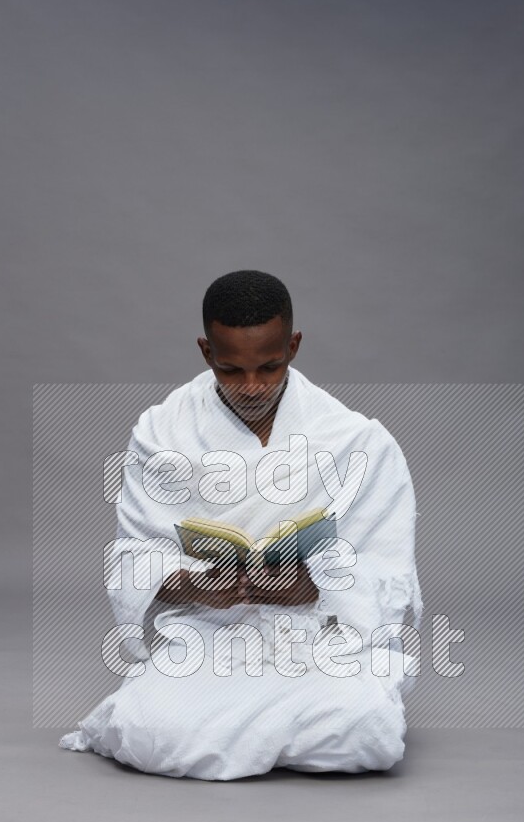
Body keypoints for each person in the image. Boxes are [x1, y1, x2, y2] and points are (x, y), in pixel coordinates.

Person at [59, 270, 422, 780]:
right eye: (231, 370)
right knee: (149, 730)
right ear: (206, 352)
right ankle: (276, 733)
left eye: (270, 366)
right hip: (212, 630)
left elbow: (386, 566)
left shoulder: (355, 440)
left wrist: (314, 586)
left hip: (317, 632)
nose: (252, 387)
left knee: (367, 731)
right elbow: (135, 553)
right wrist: (192, 584)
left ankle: (266, 727)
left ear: (293, 346)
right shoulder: (161, 432)